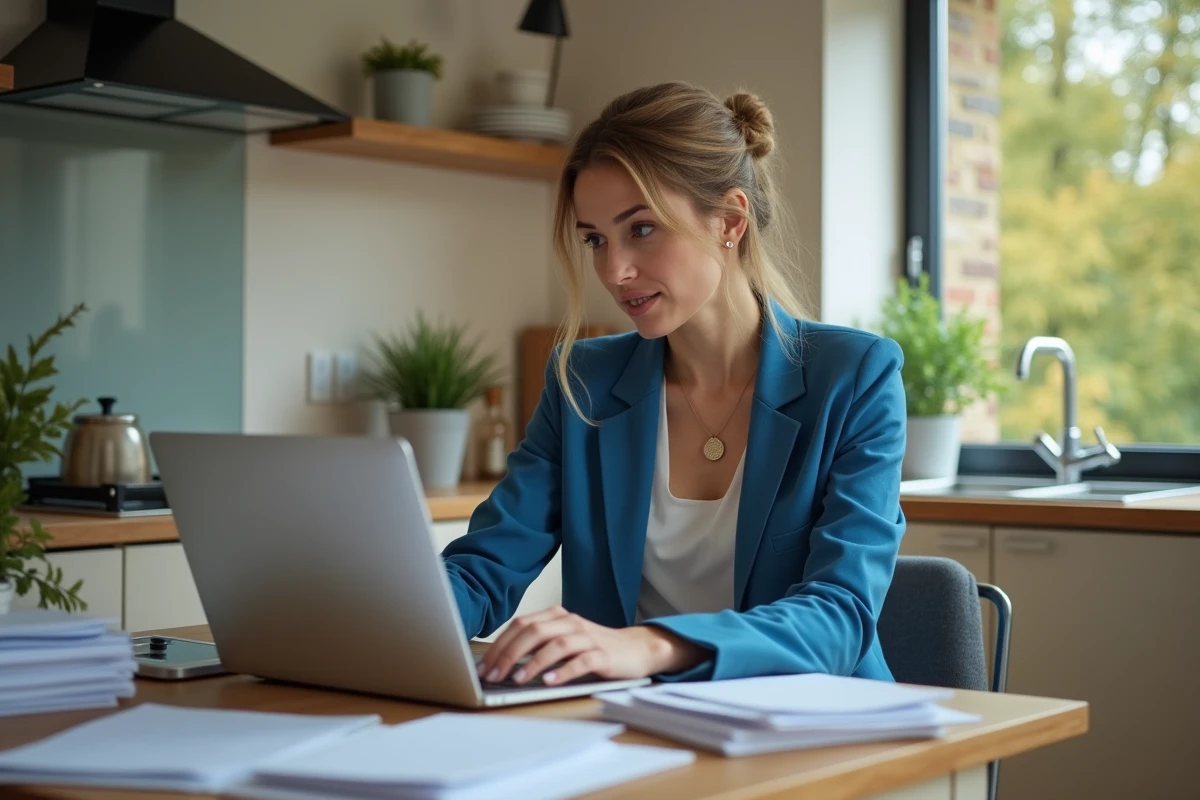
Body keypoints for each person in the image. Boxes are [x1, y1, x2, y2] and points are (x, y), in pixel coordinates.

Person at [445, 81, 906, 688]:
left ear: (730, 221)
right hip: (628, 723)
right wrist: (388, 618)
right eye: (595, 240)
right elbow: (482, 570)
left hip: (818, 722)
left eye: (641, 229)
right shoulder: (582, 383)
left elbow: (840, 616)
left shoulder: (854, 377)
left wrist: (650, 646)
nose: (614, 271)